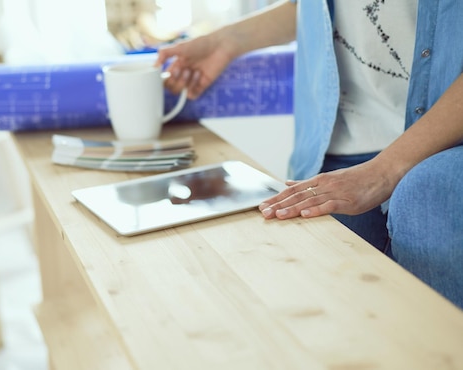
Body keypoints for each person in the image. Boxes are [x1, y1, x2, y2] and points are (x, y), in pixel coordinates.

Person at [155, 0, 463, 309]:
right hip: (346, 142)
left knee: (428, 201)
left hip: (446, 141)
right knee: (306, 274)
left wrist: (383, 172)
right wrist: (225, 41)